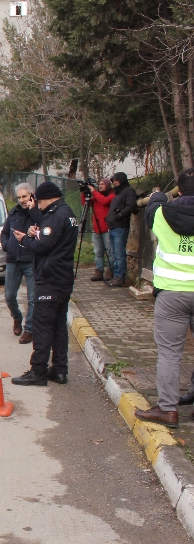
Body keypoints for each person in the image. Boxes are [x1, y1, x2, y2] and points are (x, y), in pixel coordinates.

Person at [133, 169, 194, 427]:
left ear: (179, 189)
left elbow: (152, 207)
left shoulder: (162, 213)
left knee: (170, 354)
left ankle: (168, 410)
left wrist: (159, 195)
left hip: (171, 294)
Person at [10, 181, 79, 386]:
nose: (37, 205)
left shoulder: (55, 216)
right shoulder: (66, 213)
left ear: (48, 198)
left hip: (50, 278)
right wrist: (35, 233)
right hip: (63, 277)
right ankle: (59, 369)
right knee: (58, 326)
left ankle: (38, 371)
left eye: (38, 202)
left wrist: (25, 240)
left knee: (42, 326)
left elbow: (43, 246)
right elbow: (51, 238)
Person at [0, 183, 41, 345]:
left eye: (25, 196)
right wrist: (7, 245)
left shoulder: (38, 212)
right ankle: (17, 317)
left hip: (31, 259)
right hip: (13, 259)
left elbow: (43, 227)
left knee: (32, 298)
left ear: (32, 196)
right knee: (9, 296)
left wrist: (33, 210)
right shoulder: (14, 212)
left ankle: (29, 329)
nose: (22, 200)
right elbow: (4, 233)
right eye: (19, 197)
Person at [106, 172, 138, 287]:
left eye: (116, 180)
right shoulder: (118, 193)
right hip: (113, 226)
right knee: (115, 253)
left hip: (120, 226)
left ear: (121, 180)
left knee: (119, 254)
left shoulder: (128, 191)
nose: (114, 183)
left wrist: (119, 216)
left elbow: (130, 206)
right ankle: (116, 275)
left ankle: (120, 276)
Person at [85, 179, 115, 281]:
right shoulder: (96, 196)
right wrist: (84, 193)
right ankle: (99, 271)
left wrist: (94, 191)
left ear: (108, 185)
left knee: (110, 252)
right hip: (96, 229)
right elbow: (86, 204)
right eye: (99, 184)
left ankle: (110, 271)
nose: (100, 186)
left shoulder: (111, 195)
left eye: (103, 184)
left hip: (107, 228)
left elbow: (104, 201)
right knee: (98, 252)